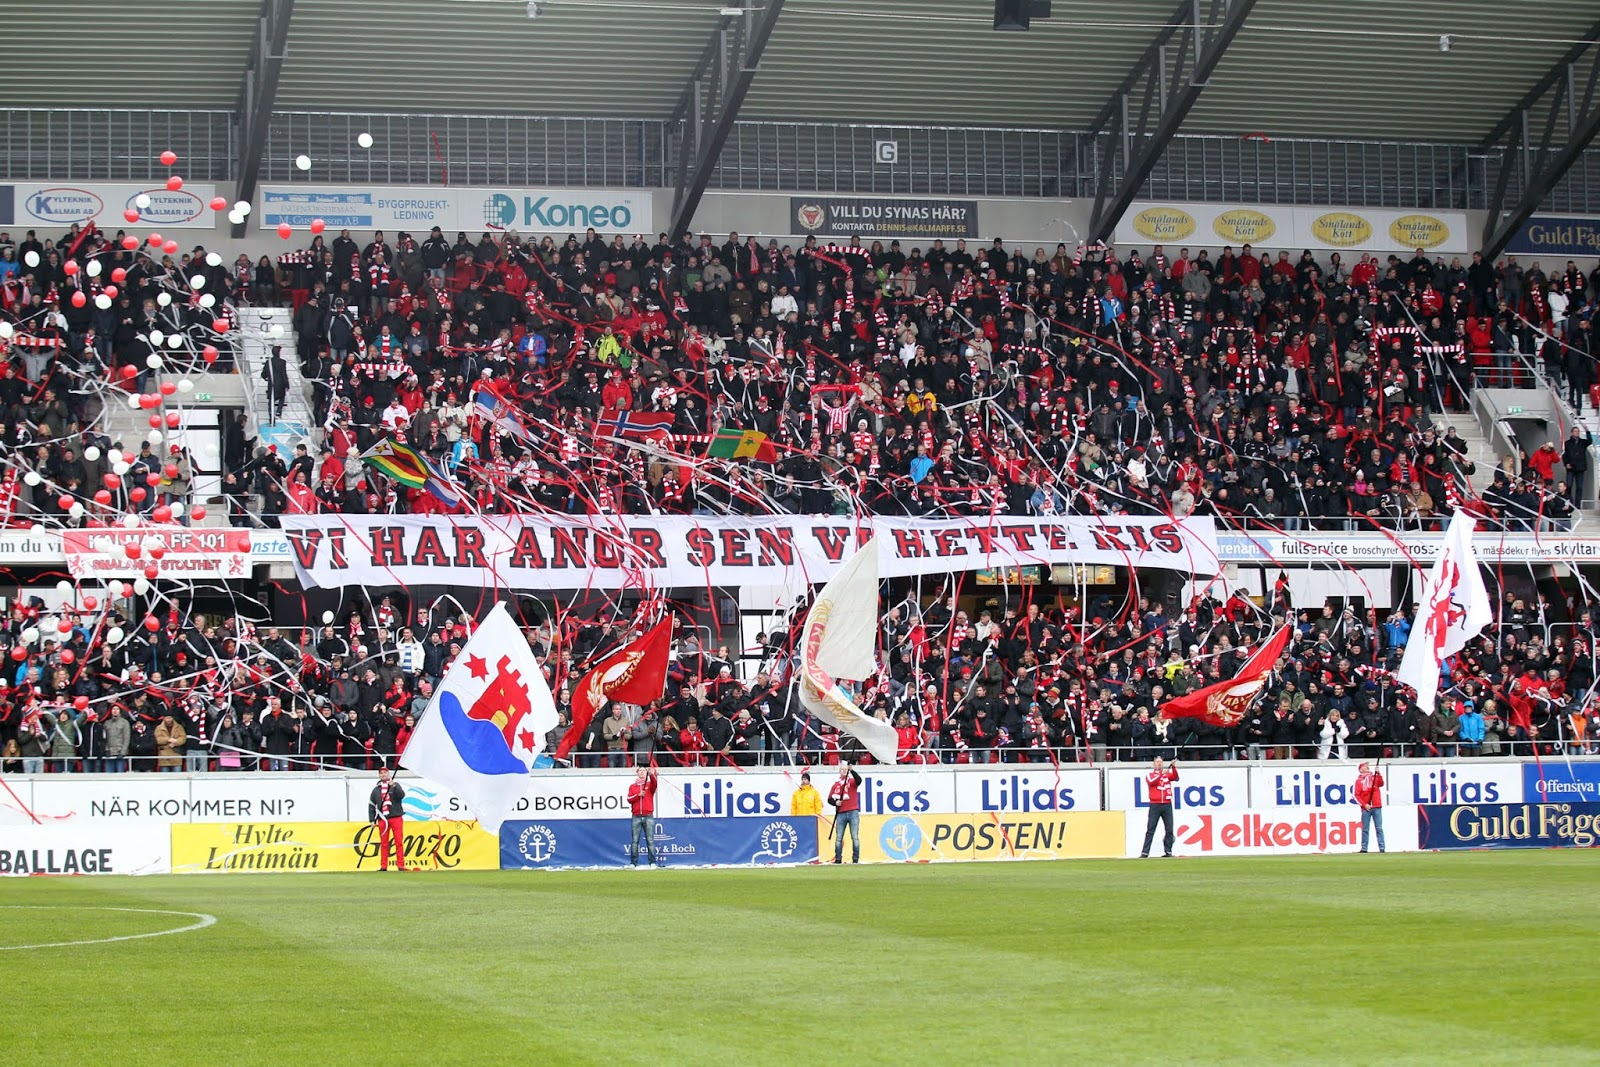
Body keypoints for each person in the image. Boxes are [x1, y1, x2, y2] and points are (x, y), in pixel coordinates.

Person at [368, 767, 407, 871]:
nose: (383, 775)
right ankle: (383, 865)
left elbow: (401, 795)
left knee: (398, 842)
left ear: (388, 774)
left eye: (385, 773)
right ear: (379, 775)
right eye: (381, 773)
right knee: (384, 843)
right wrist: (372, 820)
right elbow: (371, 805)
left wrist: (394, 786)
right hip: (382, 819)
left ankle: (400, 865)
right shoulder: (376, 790)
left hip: (396, 817)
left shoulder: (395, 785)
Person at [1139, 756, 1179, 858]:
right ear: (1154, 764)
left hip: (1167, 804)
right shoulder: (1150, 775)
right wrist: (1162, 774)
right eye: (1157, 762)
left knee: (1169, 829)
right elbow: (1152, 782)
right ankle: (1145, 852)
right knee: (1151, 829)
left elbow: (1175, 778)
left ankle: (1168, 851)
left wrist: (1173, 767)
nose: (1159, 763)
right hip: (1155, 804)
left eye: (1161, 762)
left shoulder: (1167, 775)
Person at [828, 762, 863, 864]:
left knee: (855, 837)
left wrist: (852, 771)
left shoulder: (851, 782)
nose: (844, 771)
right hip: (841, 813)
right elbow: (829, 799)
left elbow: (859, 780)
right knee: (839, 837)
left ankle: (855, 858)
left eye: (845, 769)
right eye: (842, 769)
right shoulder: (836, 785)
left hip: (853, 811)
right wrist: (835, 803)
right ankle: (838, 858)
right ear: (839, 771)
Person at [627, 765, 658, 867]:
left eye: (644, 770)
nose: (642, 772)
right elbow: (629, 799)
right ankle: (633, 863)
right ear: (637, 773)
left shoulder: (649, 785)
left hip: (648, 816)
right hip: (636, 816)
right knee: (635, 841)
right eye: (640, 770)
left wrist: (651, 775)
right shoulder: (632, 786)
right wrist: (638, 795)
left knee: (650, 840)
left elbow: (655, 784)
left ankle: (652, 862)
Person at [1354, 760, 1385, 853]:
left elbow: (1381, 783)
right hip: (1366, 808)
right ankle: (1364, 848)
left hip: (1376, 805)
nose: (1367, 767)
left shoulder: (1374, 777)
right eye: (1365, 766)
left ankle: (1382, 847)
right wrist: (1365, 804)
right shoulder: (1359, 781)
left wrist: (1378, 773)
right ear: (1361, 769)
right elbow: (1356, 795)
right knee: (1365, 829)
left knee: (1379, 828)